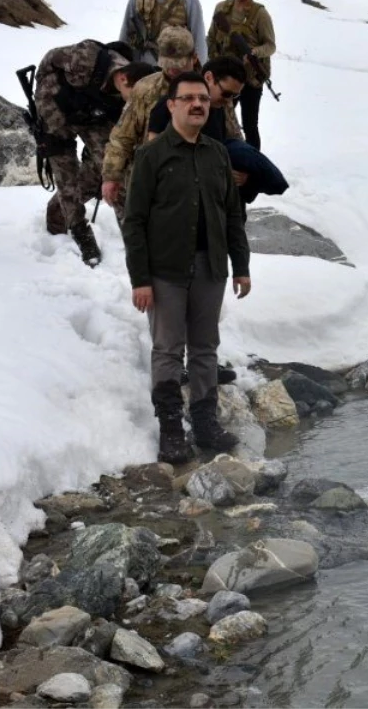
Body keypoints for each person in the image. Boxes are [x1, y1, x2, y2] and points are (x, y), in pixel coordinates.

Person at [122, 72, 251, 464]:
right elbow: (135, 222)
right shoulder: (151, 156)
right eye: (189, 98)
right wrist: (140, 279)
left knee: (205, 348)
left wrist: (241, 265)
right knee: (167, 349)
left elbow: (232, 214)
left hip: (211, 268)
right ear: (172, 105)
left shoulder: (217, 153)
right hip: (165, 272)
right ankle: (171, 430)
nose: (198, 104)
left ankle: (206, 423)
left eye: (202, 99)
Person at [33, 39, 155, 265]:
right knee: (65, 171)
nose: (137, 102)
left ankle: (133, 235)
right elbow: (51, 59)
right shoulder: (86, 58)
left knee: (114, 169)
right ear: (122, 79)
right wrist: (44, 93)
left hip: (92, 113)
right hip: (55, 105)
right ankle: (80, 230)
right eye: (135, 96)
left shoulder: (134, 87)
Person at [145, 56, 288, 204]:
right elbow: (156, 162)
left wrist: (240, 177)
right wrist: (215, 173)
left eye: (234, 95)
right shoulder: (171, 107)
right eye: (226, 93)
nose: (228, 100)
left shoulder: (218, 109)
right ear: (208, 77)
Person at [102, 26, 199, 218]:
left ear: (193, 58)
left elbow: (229, 135)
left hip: (194, 187)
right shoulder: (145, 88)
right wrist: (111, 175)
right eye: (167, 63)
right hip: (150, 185)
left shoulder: (206, 89)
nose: (172, 69)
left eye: (178, 63)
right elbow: (122, 135)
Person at [206, 0, 276, 150]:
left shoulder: (260, 14)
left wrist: (254, 53)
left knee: (250, 125)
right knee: (218, 119)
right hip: (225, 78)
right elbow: (211, 38)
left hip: (250, 79)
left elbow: (270, 45)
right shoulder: (222, 8)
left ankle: (252, 165)